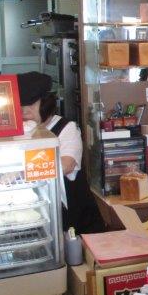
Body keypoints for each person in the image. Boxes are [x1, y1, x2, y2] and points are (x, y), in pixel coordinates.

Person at [17, 72, 104, 233]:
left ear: (46, 103)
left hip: (73, 221)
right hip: (37, 214)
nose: (25, 112)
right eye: (20, 106)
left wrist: (19, 174)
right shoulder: (19, 131)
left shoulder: (67, 128)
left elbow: (67, 165)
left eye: (31, 105)